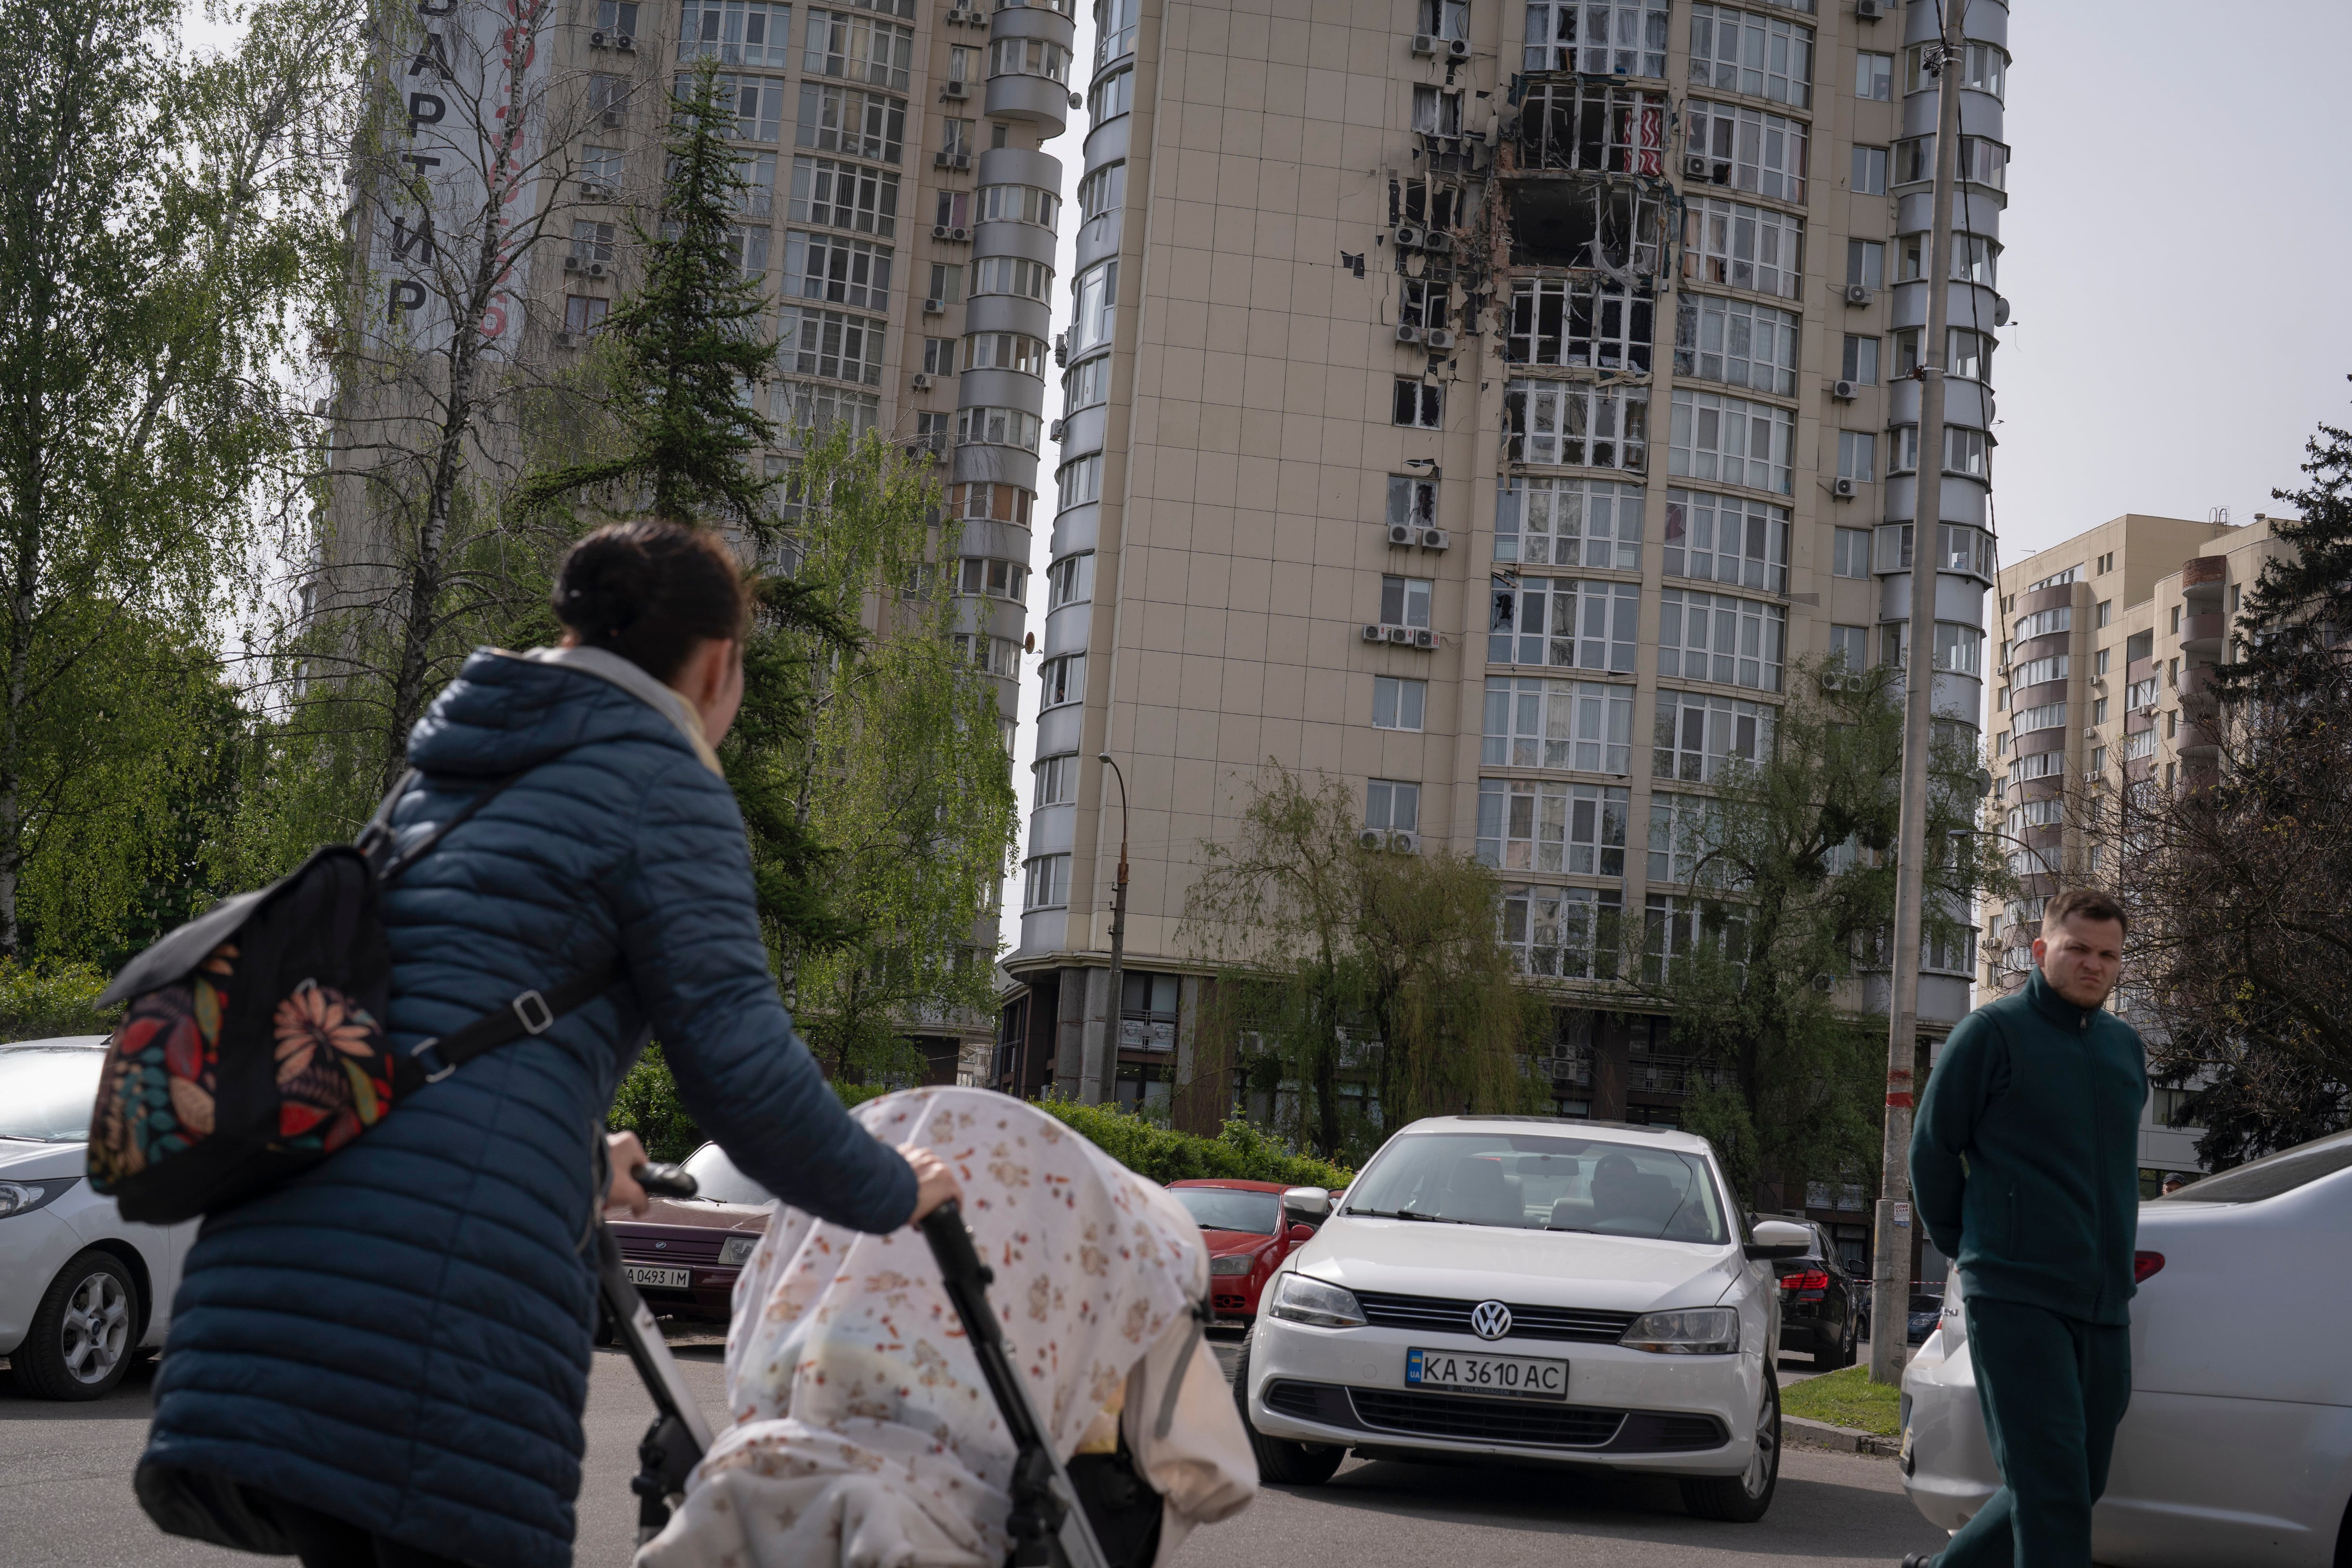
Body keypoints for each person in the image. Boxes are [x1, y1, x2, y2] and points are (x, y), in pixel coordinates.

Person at [137, 520, 962, 1568]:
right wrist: (898, 1188)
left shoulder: (444, 772)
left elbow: (417, 1036)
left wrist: (576, 1159)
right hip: (433, 1306)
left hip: (276, 1260)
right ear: (717, 664)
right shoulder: (665, 786)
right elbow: (743, 1076)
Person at [1903, 887, 2146, 1568]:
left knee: (2074, 1484)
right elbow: (1931, 1148)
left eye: (2108, 955)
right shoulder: (1992, 1032)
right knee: (2052, 1495)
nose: (2093, 965)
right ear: (2041, 951)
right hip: (2015, 1295)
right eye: (2077, 949)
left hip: (2103, 1305)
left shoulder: (2126, 1048)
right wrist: (1975, 1246)